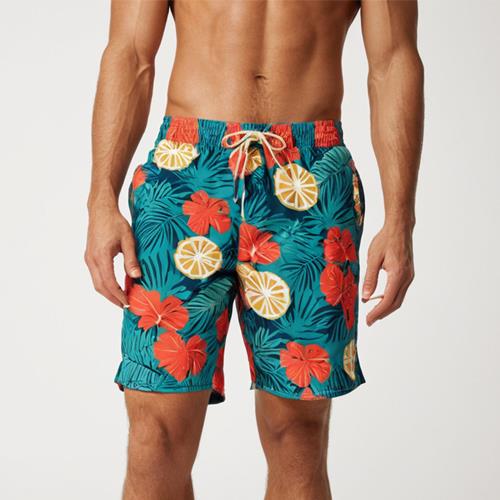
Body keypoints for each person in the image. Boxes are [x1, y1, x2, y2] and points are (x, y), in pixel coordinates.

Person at [85, 1, 423, 498]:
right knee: (155, 434)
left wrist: (401, 218)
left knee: (298, 434)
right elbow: (130, 53)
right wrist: (101, 199)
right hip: (185, 175)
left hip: (310, 179)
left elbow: (393, 61)